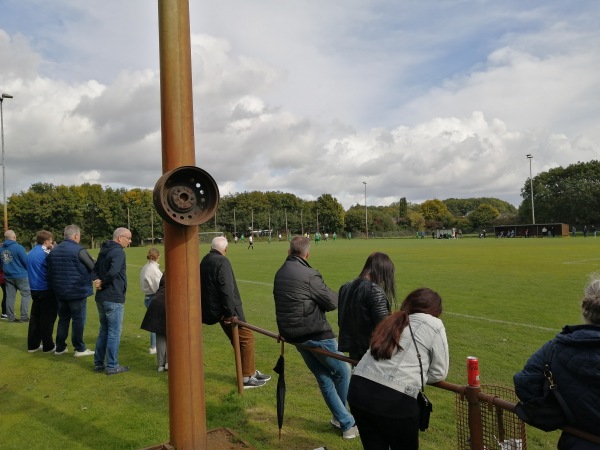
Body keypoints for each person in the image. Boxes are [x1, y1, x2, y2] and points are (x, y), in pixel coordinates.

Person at [273, 236, 358, 439]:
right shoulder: (310, 274)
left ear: (288, 251)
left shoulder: (280, 273)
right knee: (343, 371)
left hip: (293, 335)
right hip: (315, 334)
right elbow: (331, 302)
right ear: (307, 253)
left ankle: (341, 418)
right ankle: (346, 422)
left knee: (323, 377)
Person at [348, 288, 450, 450]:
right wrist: (416, 374)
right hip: (395, 401)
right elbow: (439, 373)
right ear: (435, 310)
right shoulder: (434, 324)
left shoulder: (392, 319)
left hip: (358, 390)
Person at [514, 274, 600, 449]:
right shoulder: (556, 346)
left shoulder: (556, 346)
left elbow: (525, 384)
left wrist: (562, 409)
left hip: (576, 441)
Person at [200, 236, 271, 388]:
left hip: (215, 310)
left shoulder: (205, 260)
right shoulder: (222, 261)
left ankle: (249, 371)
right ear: (225, 249)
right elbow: (226, 289)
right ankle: (246, 377)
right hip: (225, 311)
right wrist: (231, 313)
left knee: (239, 340)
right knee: (246, 338)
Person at [47, 225, 96, 357]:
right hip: (76, 291)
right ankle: (79, 348)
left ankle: (60, 347)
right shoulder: (79, 250)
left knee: (63, 319)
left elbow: (49, 271)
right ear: (75, 236)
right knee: (78, 320)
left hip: (60, 291)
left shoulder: (54, 251)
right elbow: (92, 267)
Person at [338, 252, 396, 361]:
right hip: (369, 349)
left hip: (353, 347)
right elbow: (384, 326)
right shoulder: (374, 290)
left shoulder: (345, 287)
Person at [92, 227, 131, 375]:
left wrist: (97, 280)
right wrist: (103, 282)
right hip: (113, 296)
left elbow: (94, 269)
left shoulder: (104, 250)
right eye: (128, 238)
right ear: (120, 238)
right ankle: (112, 365)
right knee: (114, 332)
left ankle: (98, 363)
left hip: (101, 297)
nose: (130, 241)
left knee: (104, 331)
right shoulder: (118, 252)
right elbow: (114, 272)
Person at [26, 230, 58, 353]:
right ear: (46, 241)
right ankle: (48, 345)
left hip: (34, 288)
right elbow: (53, 265)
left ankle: (33, 345)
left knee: (35, 317)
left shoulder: (31, 252)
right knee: (48, 318)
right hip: (46, 288)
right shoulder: (46, 252)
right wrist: (53, 248)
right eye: (51, 240)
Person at [1, 230, 32, 323]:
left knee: (10, 297)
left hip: (8, 275)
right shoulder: (19, 248)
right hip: (21, 275)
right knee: (26, 295)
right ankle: (24, 317)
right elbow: (26, 262)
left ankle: (10, 317)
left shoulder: (1, 249)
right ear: (14, 237)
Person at [141, 275, 168, 372]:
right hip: (167, 303)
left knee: (160, 335)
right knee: (171, 334)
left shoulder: (166, 273)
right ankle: (168, 362)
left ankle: (161, 364)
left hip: (156, 303)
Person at [140, 248, 162, 355]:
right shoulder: (152, 269)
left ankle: (155, 346)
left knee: (156, 321)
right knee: (156, 322)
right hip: (153, 297)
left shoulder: (146, 267)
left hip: (149, 297)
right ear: (158, 256)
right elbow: (157, 287)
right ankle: (154, 346)